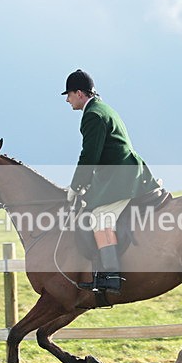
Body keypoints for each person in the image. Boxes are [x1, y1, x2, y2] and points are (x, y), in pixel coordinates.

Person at [62, 69, 160, 294]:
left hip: (121, 176)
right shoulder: (102, 109)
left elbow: (89, 156)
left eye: (68, 94)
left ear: (79, 93)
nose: (67, 100)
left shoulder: (93, 115)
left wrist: (76, 186)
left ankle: (111, 276)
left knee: (100, 218)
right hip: (116, 173)